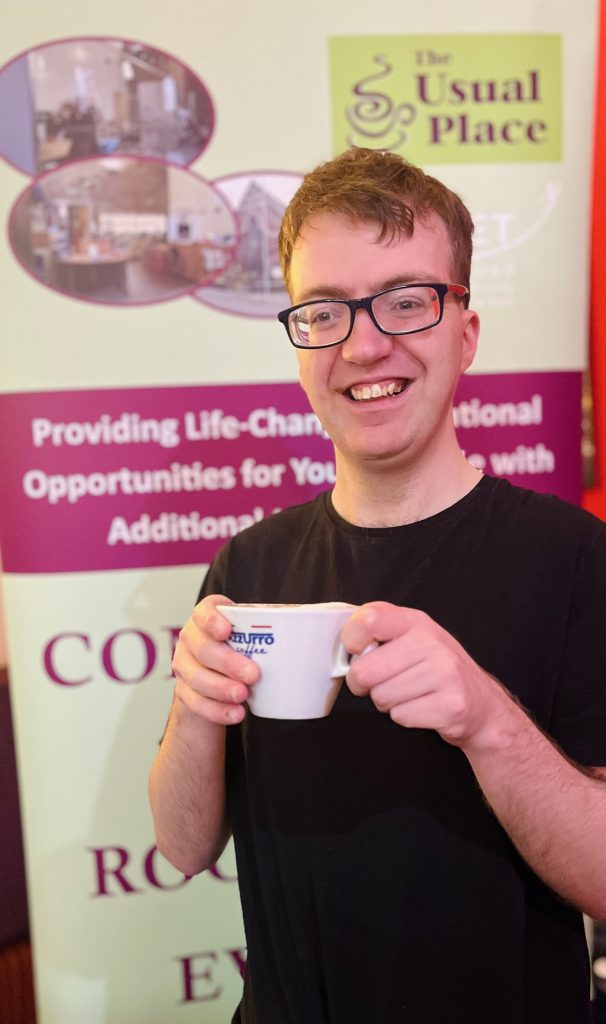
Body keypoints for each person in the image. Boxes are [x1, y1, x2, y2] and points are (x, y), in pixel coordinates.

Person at [149, 148, 606, 1024]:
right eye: (325, 311)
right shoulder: (246, 568)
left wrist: (486, 721)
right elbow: (182, 844)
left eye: (406, 301)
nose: (364, 345)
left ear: (464, 333)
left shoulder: (577, 560)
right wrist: (193, 706)